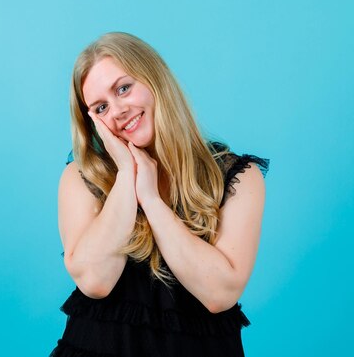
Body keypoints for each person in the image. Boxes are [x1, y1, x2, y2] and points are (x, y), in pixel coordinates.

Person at [50, 32, 270, 357]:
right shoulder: (80, 178)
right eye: (101, 107)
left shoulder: (239, 178)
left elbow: (219, 293)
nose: (118, 110)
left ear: (155, 80)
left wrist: (151, 200)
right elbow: (96, 281)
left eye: (124, 88)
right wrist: (127, 176)